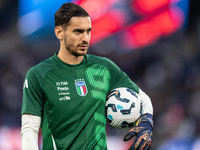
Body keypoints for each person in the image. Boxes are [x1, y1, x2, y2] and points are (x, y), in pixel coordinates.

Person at [21, 2, 153, 150]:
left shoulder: (104, 67)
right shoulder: (39, 75)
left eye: (88, 31)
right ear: (59, 32)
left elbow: (143, 97)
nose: (85, 38)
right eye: (78, 31)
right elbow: (29, 129)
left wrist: (146, 121)